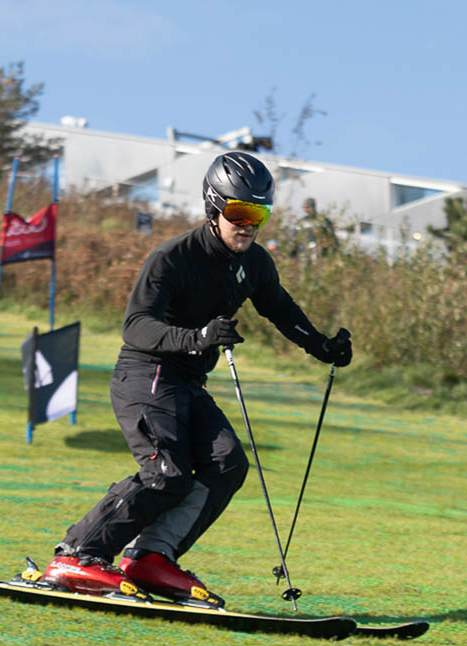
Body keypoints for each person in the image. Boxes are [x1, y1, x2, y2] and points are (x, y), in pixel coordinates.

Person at [39, 151, 353, 606]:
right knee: (166, 472)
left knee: (227, 463)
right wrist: (198, 337)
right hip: (145, 373)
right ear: (213, 207)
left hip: (187, 381)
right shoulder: (173, 258)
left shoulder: (255, 263)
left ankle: (150, 557)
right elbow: (135, 326)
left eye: (259, 214)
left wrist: (322, 346)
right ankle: (78, 555)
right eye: (239, 212)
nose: (248, 225)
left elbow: (280, 309)